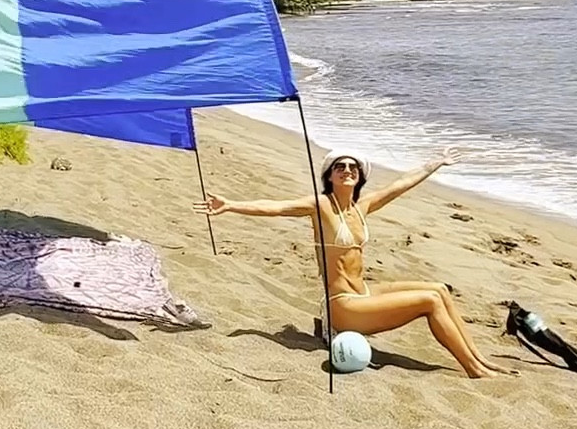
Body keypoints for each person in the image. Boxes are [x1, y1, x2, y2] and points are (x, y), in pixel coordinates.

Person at [204, 150, 509, 379]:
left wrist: (433, 164)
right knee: (429, 301)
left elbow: (400, 185)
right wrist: (231, 205)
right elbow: (276, 207)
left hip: (364, 292)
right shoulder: (321, 205)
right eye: (340, 167)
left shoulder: (362, 207)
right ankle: (473, 370)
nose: (347, 170)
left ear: (360, 175)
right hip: (343, 306)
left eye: (353, 167)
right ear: (330, 175)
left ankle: (480, 358)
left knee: (439, 289)